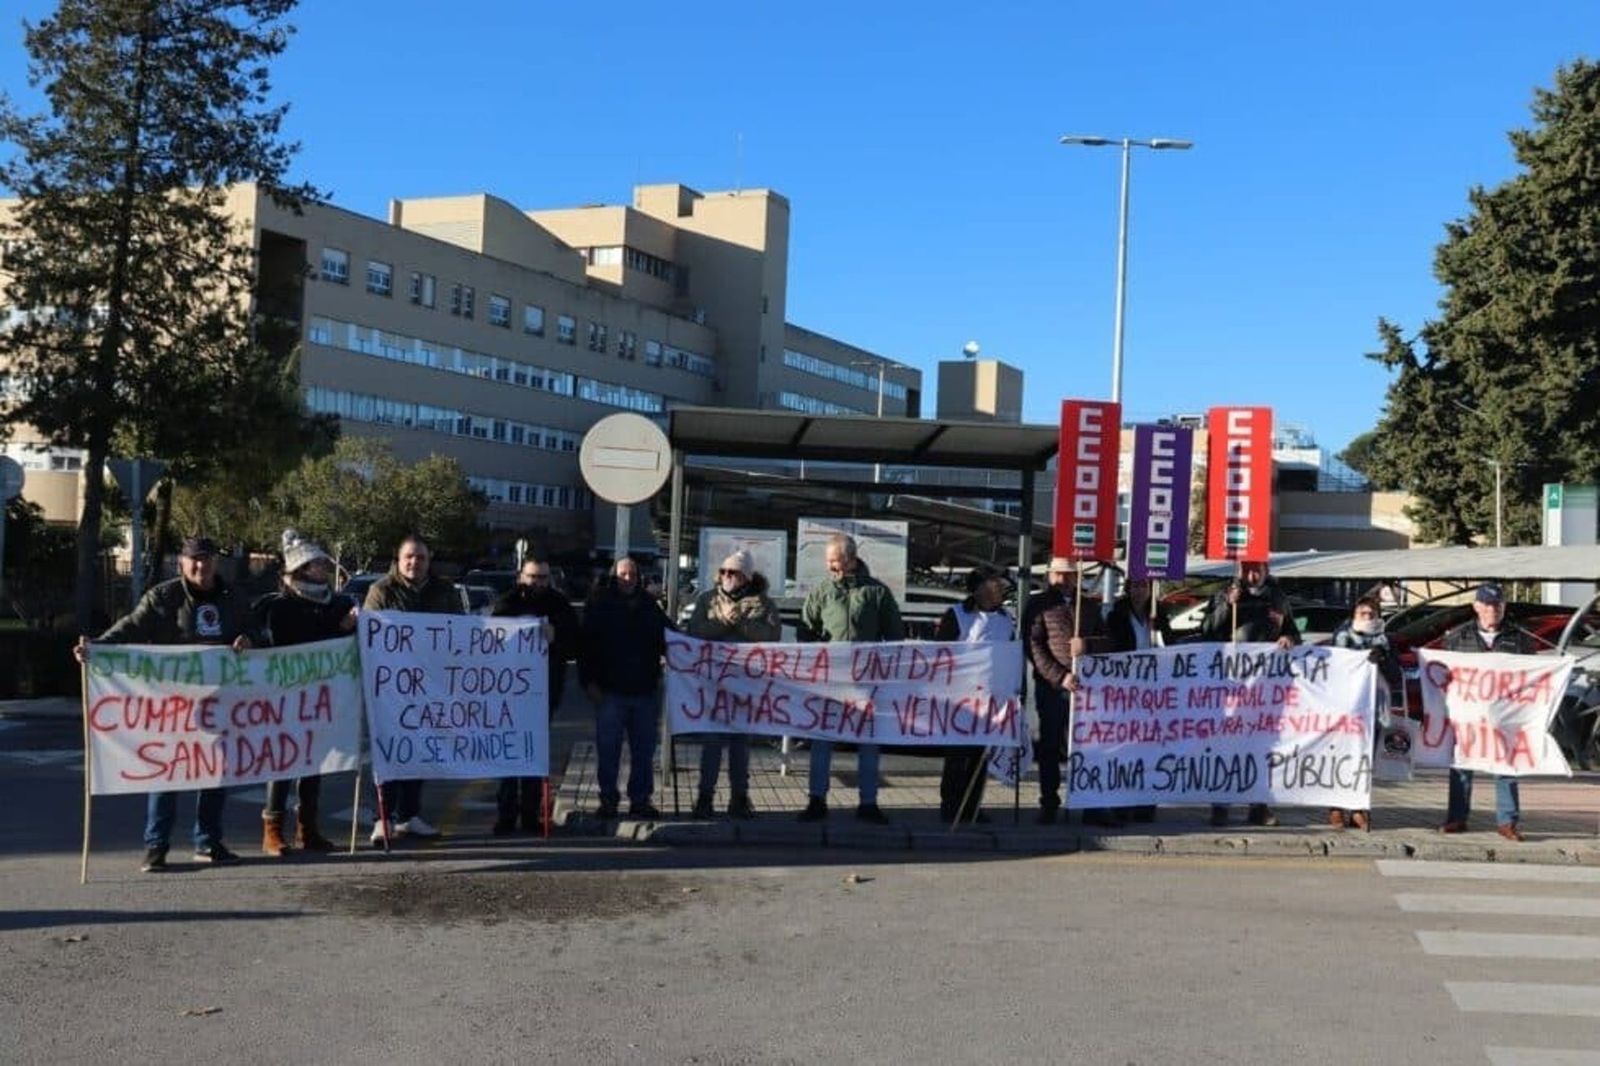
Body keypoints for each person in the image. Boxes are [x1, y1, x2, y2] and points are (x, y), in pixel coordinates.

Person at [76, 536, 262, 872]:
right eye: (195, 559)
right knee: (167, 773)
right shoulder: (164, 597)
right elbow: (132, 627)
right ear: (182, 563)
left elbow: (256, 631)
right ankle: (156, 846)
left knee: (215, 772)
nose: (202, 565)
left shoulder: (233, 597)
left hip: (220, 699)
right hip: (172, 704)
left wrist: (249, 639)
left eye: (207, 559)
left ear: (216, 562)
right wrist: (98, 648)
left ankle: (208, 842)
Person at [250, 529, 358, 856]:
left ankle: (307, 828)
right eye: (315, 564)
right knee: (282, 762)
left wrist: (353, 627)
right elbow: (287, 643)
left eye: (323, 563)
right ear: (300, 570)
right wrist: (337, 629)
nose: (323, 568)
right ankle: (272, 829)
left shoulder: (338, 604)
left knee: (313, 761)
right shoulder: (277, 606)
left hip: (323, 698)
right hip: (284, 697)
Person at [363, 533, 464, 843]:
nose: (414, 562)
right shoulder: (381, 591)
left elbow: (461, 632)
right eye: (409, 556)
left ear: (429, 561)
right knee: (390, 752)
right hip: (391, 689)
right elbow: (369, 635)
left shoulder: (445, 591)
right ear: (399, 559)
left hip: (431, 687)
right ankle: (382, 817)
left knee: (420, 751)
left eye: (421, 557)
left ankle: (409, 815)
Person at [797, 533, 904, 824]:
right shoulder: (822, 591)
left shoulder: (877, 592)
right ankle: (816, 800)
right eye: (828, 561)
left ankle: (868, 803)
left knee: (868, 742)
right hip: (830, 681)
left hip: (865, 681)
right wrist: (818, 656)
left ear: (851, 560)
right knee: (822, 740)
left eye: (835, 561)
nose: (830, 566)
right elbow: (806, 630)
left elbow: (895, 634)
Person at [1199, 558, 1300, 828]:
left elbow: (1292, 631)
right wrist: (1227, 605)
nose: (1252, 575)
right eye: (1247, 570)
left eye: (1257, 570)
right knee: (1226, 745)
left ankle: (1259, 805)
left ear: (1266, 570)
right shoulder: (1225, 593)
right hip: (1231, 683)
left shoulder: (1278, 597)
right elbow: (1208, 630)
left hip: (1265, 686)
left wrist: (1289, 637)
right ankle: (1220, 805)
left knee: (1261, 745)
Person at [684, 549, 781, 820]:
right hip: (713, 685)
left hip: (745, 686)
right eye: (723, 571)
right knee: (712, 743)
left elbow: (772, 636)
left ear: (746, 576)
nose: (726, 576)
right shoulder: (707, 599)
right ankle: (704, 798)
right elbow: (695, 631)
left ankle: (739, 798)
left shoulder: (763, 604)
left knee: (740, 745)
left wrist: (743, 624)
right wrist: (724, 622)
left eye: (733, 572)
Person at [489, 554, 578, 835]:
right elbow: (490, 640)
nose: (537, 582)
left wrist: (557, 637)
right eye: (532, 577)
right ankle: (506, 814)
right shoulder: (506, 603)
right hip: (509, 693)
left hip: (544, 692)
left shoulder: (559, 604)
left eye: (542, 578)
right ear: (520, 577)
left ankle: (530, 814)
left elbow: (575, 644)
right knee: (508, 754)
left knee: (533, 753)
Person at [1438, 583, 1535, 841]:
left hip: (1505, 714)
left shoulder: (1519, 638)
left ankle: (1507, 822)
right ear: (1477, 606)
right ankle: (1457, 818)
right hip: (1468, 715)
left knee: (1506, 765)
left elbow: (1532, 674)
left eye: (1498, 605)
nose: (1493, 610)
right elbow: (1443, 672)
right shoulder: (1458, 638)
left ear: (1503, 607)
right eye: (1488, 605)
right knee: (1462, 764)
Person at [578, 556, 669, 820]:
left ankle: (640, 800)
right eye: (622, 575)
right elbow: (585, 649)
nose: (627, 579)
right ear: (613, 576)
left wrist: (687, 652)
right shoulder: (600, 605)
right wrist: (588, 682)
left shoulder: (649, 606)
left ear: (639, 577)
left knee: (644, 751)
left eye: (632, 574)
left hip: (644, 691)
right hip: (609, 692)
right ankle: (608, 800)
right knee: (608, 751)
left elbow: (669, 637)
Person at [1027, 557, 1107, 825]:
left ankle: (1090, 804)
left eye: (1068, 574)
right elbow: (1033, 645)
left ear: (1076, 578)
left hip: (1086, 688)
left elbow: (1108, 640)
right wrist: (1060, 676)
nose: (1063, 579)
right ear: (1049, 576)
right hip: (1052, 687)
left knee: (1088, 746)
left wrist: (1087, 645)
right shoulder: (1038, 605)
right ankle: (1049, 803)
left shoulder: (1090, 605)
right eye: (1058, 574)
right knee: (1050, 746)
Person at [936, 565, 1015, 824]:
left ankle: (972, 806)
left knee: (980, 756)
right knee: (958, 755)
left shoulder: (1005, 619)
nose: (1000, 588)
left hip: (991, 699)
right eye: (995, 583)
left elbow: (1011, 655)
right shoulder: (958, 615)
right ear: (980, 588)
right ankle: (951, 806)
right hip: (961, 698)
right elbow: (942, 655)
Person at [1102, 577, 1174, 823]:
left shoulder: (1159, 614)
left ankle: (1146, 802)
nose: (1140, 591)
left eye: (1144, 586)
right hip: (1127, 691)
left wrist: (1159, 627)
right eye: (1135, 586)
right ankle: (1123, 802)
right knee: (1127, 749)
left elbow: (1170, 646)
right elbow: (1112, 648)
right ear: (1128, 589)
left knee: (1150, 749)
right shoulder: (1117, 616)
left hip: (1154, 692)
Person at [1328, 595, 1402, 832]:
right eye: (1363, 613)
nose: (1368, 618)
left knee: (1365, 759)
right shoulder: (1342, 638)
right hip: (1347, 708)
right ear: (1354, 615)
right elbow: (1335, 669)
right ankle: (1336, 807)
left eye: (1372, 614)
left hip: (1374, 708)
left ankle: (1358, 809)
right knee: (1341, 757)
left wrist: (1384, 658)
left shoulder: (1385, 640)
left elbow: (1395, 675)